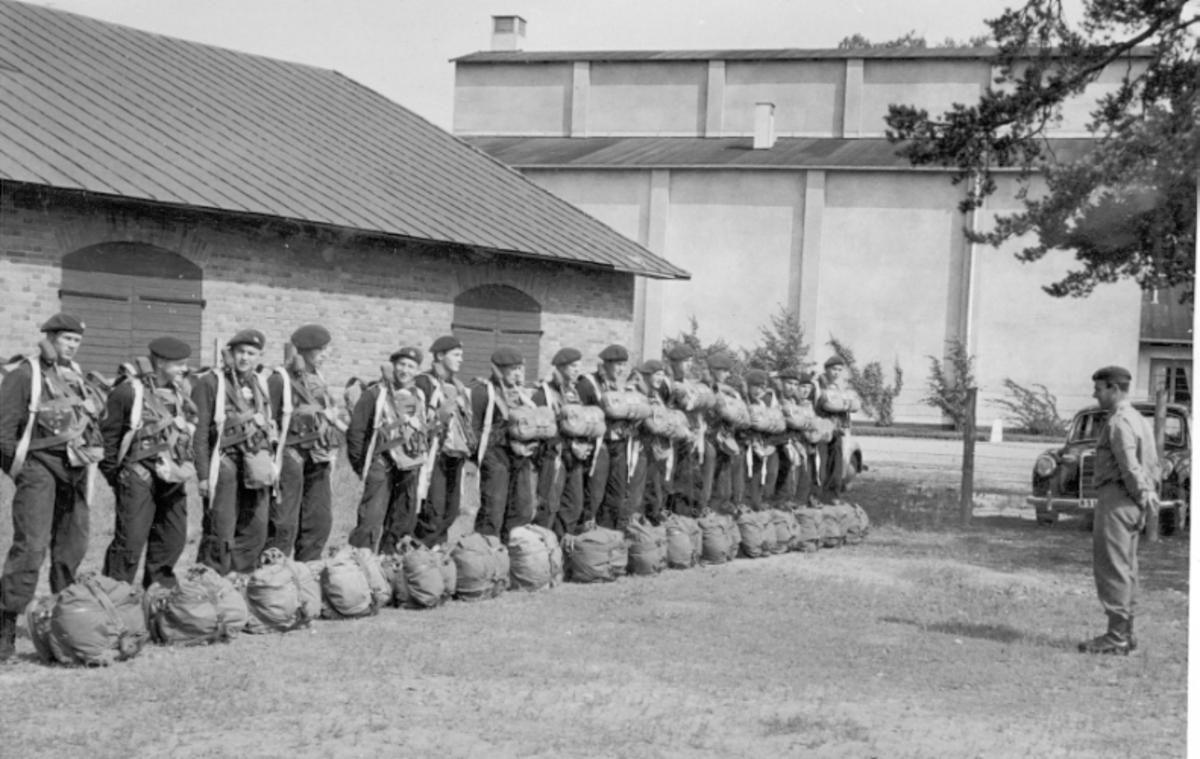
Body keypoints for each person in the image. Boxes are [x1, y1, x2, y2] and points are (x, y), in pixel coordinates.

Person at [0, 314, 105, 661]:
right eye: (66, 339)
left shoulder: (75, 376)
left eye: (76, 341)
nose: (72, 346)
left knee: (72, 546)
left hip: (74, 471)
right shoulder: (24, 374)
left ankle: (65, 618)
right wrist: (22, 471)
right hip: (38, 468)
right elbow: (3, 432)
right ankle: (6, 626)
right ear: (49, 337)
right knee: (30, 548)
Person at [100, 337, 198, 589]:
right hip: (138, 475)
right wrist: (118, 478)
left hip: (172, 475)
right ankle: (113, 596)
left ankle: (157, 595)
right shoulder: (127, 392)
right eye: (179, 364)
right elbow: (107, 441)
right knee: (130, 542)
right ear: (161, 362)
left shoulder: (180, 394)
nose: (184, 369)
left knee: (172, 539)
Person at [1079, 365, 1160, 655]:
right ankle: (1126, 633)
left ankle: (1117, 637)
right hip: (1133, 502)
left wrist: (1142, 493)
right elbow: (1152, 463)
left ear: (1114, 389)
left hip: (1118, 499)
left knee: (1111, 567)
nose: (1095, 394)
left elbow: (1129, 464)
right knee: (1126, 568)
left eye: (1099, 389)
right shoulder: (1138, 419)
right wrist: (1147, 495)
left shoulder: (1119, 421)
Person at [192, 329, 277, 575]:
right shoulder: (210, 382)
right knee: (220, 531)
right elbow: (199, 433)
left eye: (251, 353)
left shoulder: (261, 383)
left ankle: (240, 582)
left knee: (255, 530)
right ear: (230, 353)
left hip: (255, 462)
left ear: (260, 357)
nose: (245, 358)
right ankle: (210, 583)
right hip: (223, 463)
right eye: (240, 352)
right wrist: (203, 475)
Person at [266, 325, 343, 561]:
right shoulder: (280, 379)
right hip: (290, 453)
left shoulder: (319, 378)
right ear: (303, 350)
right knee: (284, 520)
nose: (325, 355)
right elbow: (269, 420)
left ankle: (308, 568)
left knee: (319, 519)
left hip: (319, 454)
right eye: (319, 350)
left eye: (326, 349)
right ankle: (274, 572)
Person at [346, 346, 430, 555]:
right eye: (401, 364)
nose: (405, 370)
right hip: (381, 463)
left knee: (402, 518)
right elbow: (356, 431)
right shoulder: (374, 394)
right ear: (393, 366)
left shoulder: (419, 395)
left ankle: (390, 561)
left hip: (409, 465)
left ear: (418, 371)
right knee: (371, 518)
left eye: (410, 366)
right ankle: (359, 560)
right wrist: (362, 466)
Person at [471, 347, 538, 542]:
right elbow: (473, 428)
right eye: (512, 369)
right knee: (493, 507)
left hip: (519, 456)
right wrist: (482, 457)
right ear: (498, 370)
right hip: (495, 454)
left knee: (523, 508)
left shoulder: (524, 395)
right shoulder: (482, 392)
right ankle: (486, 548)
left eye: (520, 369)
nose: (518, 374)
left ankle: (511, 548)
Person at [413, 336, 474, 548]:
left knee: (451, 509)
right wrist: (438, 416)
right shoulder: (423, 383)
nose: (461, 360)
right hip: (433, 454)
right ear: (440, 355)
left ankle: (436, 551)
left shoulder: (458, 386)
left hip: (455, 454)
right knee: (433, 509)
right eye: (456, 355)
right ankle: (421, 554)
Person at [533, 348, 598, 538]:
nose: (577, 370)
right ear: (560, 367)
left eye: (579, 366)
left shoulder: (574, 393)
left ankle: (563, 543)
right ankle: (543, 545)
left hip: (573, 457)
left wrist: (583, 444)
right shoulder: (544, 393)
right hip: (554, 455)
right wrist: (569, 446)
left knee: (574, 505)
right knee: (549, 505)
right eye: (573, 366)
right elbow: (541, 429)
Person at [577, 344, 637, 531]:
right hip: (598, 447)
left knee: (616, 494)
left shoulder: (619, 386)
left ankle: (607, 535)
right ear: (605, 364)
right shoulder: (587, 384)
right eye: (617, 364)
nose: (621, 369)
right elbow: (578, 417)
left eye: (623, 365)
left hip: (618, 446)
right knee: (594, 494)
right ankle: (585, 536)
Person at [625, 359, 671, 524]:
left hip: (651, 446)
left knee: (653, 488)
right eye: (657, 374)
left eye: (662, 375)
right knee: (635, 488)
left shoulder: (655, 394)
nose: (660, 378)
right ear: (647, 375)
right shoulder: (635, 392)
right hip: (635, 446)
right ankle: (631, 523)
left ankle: (648, 521)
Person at [701, 353, 746, 513]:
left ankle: (720, 505)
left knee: (724, 472)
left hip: (722, 436)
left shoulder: (726, 391)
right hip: (704, 436)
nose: (727, 375)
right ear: (713, 370)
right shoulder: (702, 388)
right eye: (724, 371)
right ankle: (703, 507)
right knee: (708, 473)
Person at [664, 345, 705, 517]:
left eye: (690, 361)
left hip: (689, 437)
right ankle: (672, 512)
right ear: (674, 363)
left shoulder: (687, 383)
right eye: (685, 361)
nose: (689, 365)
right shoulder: (667, 383)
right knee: (672, 476)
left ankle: (688, 512)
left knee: (688, 476)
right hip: (672, 438)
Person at [815, 355, 861, 501]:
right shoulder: (819, 384)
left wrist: (844, 404)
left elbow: (855, 404)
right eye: (834, 369)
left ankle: (833, 494)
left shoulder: (841, 386)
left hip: (839, 430)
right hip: (822, 429)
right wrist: (844, 404)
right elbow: (828, 404)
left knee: (837, 463)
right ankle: (818, 494)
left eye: (840, 370)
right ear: (826, 369)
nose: (836, 373)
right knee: (821, 464)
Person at [743, 370, 780, 511]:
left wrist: (771, 443)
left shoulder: (770, 401)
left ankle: (765, 501)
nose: (758, 390)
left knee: (770, 473)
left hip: (768, 441)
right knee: (752, 474)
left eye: (761, 386)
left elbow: (778, 423)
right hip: (749, 442)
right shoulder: (744, 400)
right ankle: (751, 504)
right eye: (755, 386)